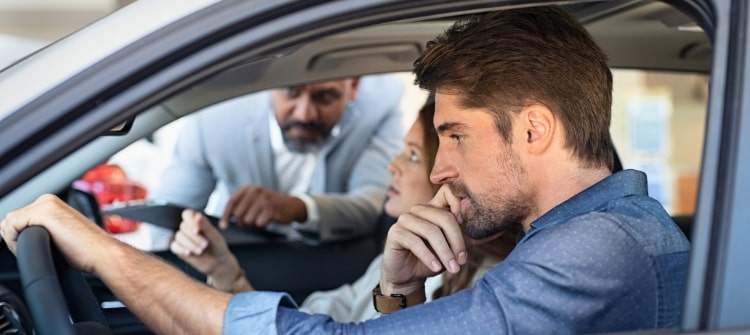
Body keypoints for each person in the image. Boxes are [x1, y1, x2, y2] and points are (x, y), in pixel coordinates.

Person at [0, 7, 690, 334]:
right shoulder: (579, 235)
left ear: (535, 129)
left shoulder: (595, 247)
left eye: (453, 135)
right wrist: (395, 289)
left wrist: (99, 249)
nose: (441, 165)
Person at [169, 100, 519, 321]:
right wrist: (225, 273)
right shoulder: (398, 259)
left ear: (449, 176)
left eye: (412, 155)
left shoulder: (492, 288)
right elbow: (311, 323)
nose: (392, 167)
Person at [152, 75, 404, 241]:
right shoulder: (214, 117)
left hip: (333, 264)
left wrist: (296, 207)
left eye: (324, 97)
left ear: (354, 87)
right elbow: (168, 218)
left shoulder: (381, 106)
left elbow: (372, 204)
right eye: (291, 92)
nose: (305, 114)